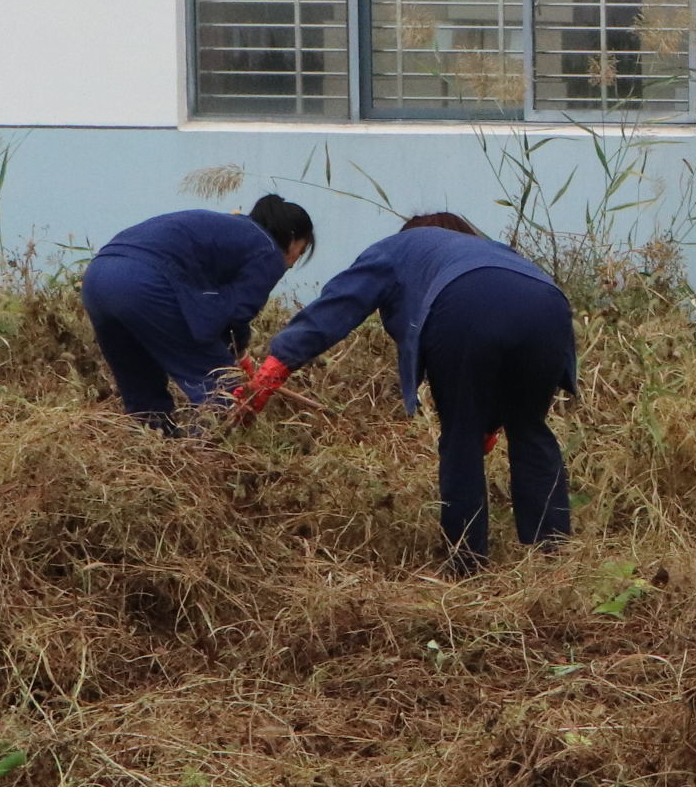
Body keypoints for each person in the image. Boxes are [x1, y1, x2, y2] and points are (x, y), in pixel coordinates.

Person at [234, 212, 575, 569]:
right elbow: (507, 322)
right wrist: (490, 420)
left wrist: (276, 367)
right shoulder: (492, 250)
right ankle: (553, 560)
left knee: (461, 439)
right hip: (548, 305)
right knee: (530, 430)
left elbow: (338, 305)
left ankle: (467, 566)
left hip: (464, 304)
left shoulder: (396, 248)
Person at [81, 195, 318, 429]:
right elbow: (235, 315)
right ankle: (205, 452)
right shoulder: (269, 250)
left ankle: (151, 445)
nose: (294, 262)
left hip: (97, 278)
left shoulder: (231, 231)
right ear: (292, 238)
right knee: (221, 386)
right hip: (143, 283)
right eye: (302, 250)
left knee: (142, 388)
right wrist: (234, 358)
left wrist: (235, 350)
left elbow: (212, 302)